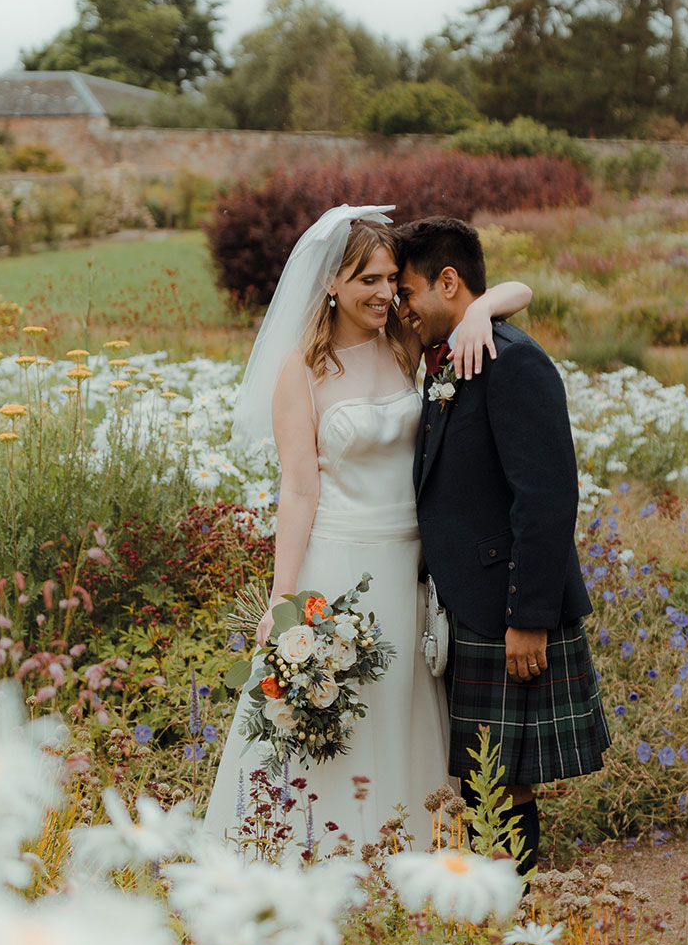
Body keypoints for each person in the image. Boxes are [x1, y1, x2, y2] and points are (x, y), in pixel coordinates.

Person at [205, 204, 532, 852]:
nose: (385, 294)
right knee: (337, 716)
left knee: (404, 708)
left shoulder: (403, 344)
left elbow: (520, 292)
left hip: (410, 566)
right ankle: (321, 849)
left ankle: (409, 849)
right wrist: (281, 600)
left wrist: (475, 312)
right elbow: (298, 490)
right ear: (331, 284)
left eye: (390, 279)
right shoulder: (301, 370)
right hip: (338, 566)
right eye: (367, 281)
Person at [395, 215, 611, 876]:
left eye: (408, 291)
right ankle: (495, 900)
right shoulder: (452, 354)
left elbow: (546, 502)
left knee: (506, 778)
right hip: (468, 603)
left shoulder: (513, 361)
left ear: (449, 282)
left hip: (505, 607)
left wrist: (529, 619)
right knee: (482, 775)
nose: (402, 307)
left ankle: (512, 903)